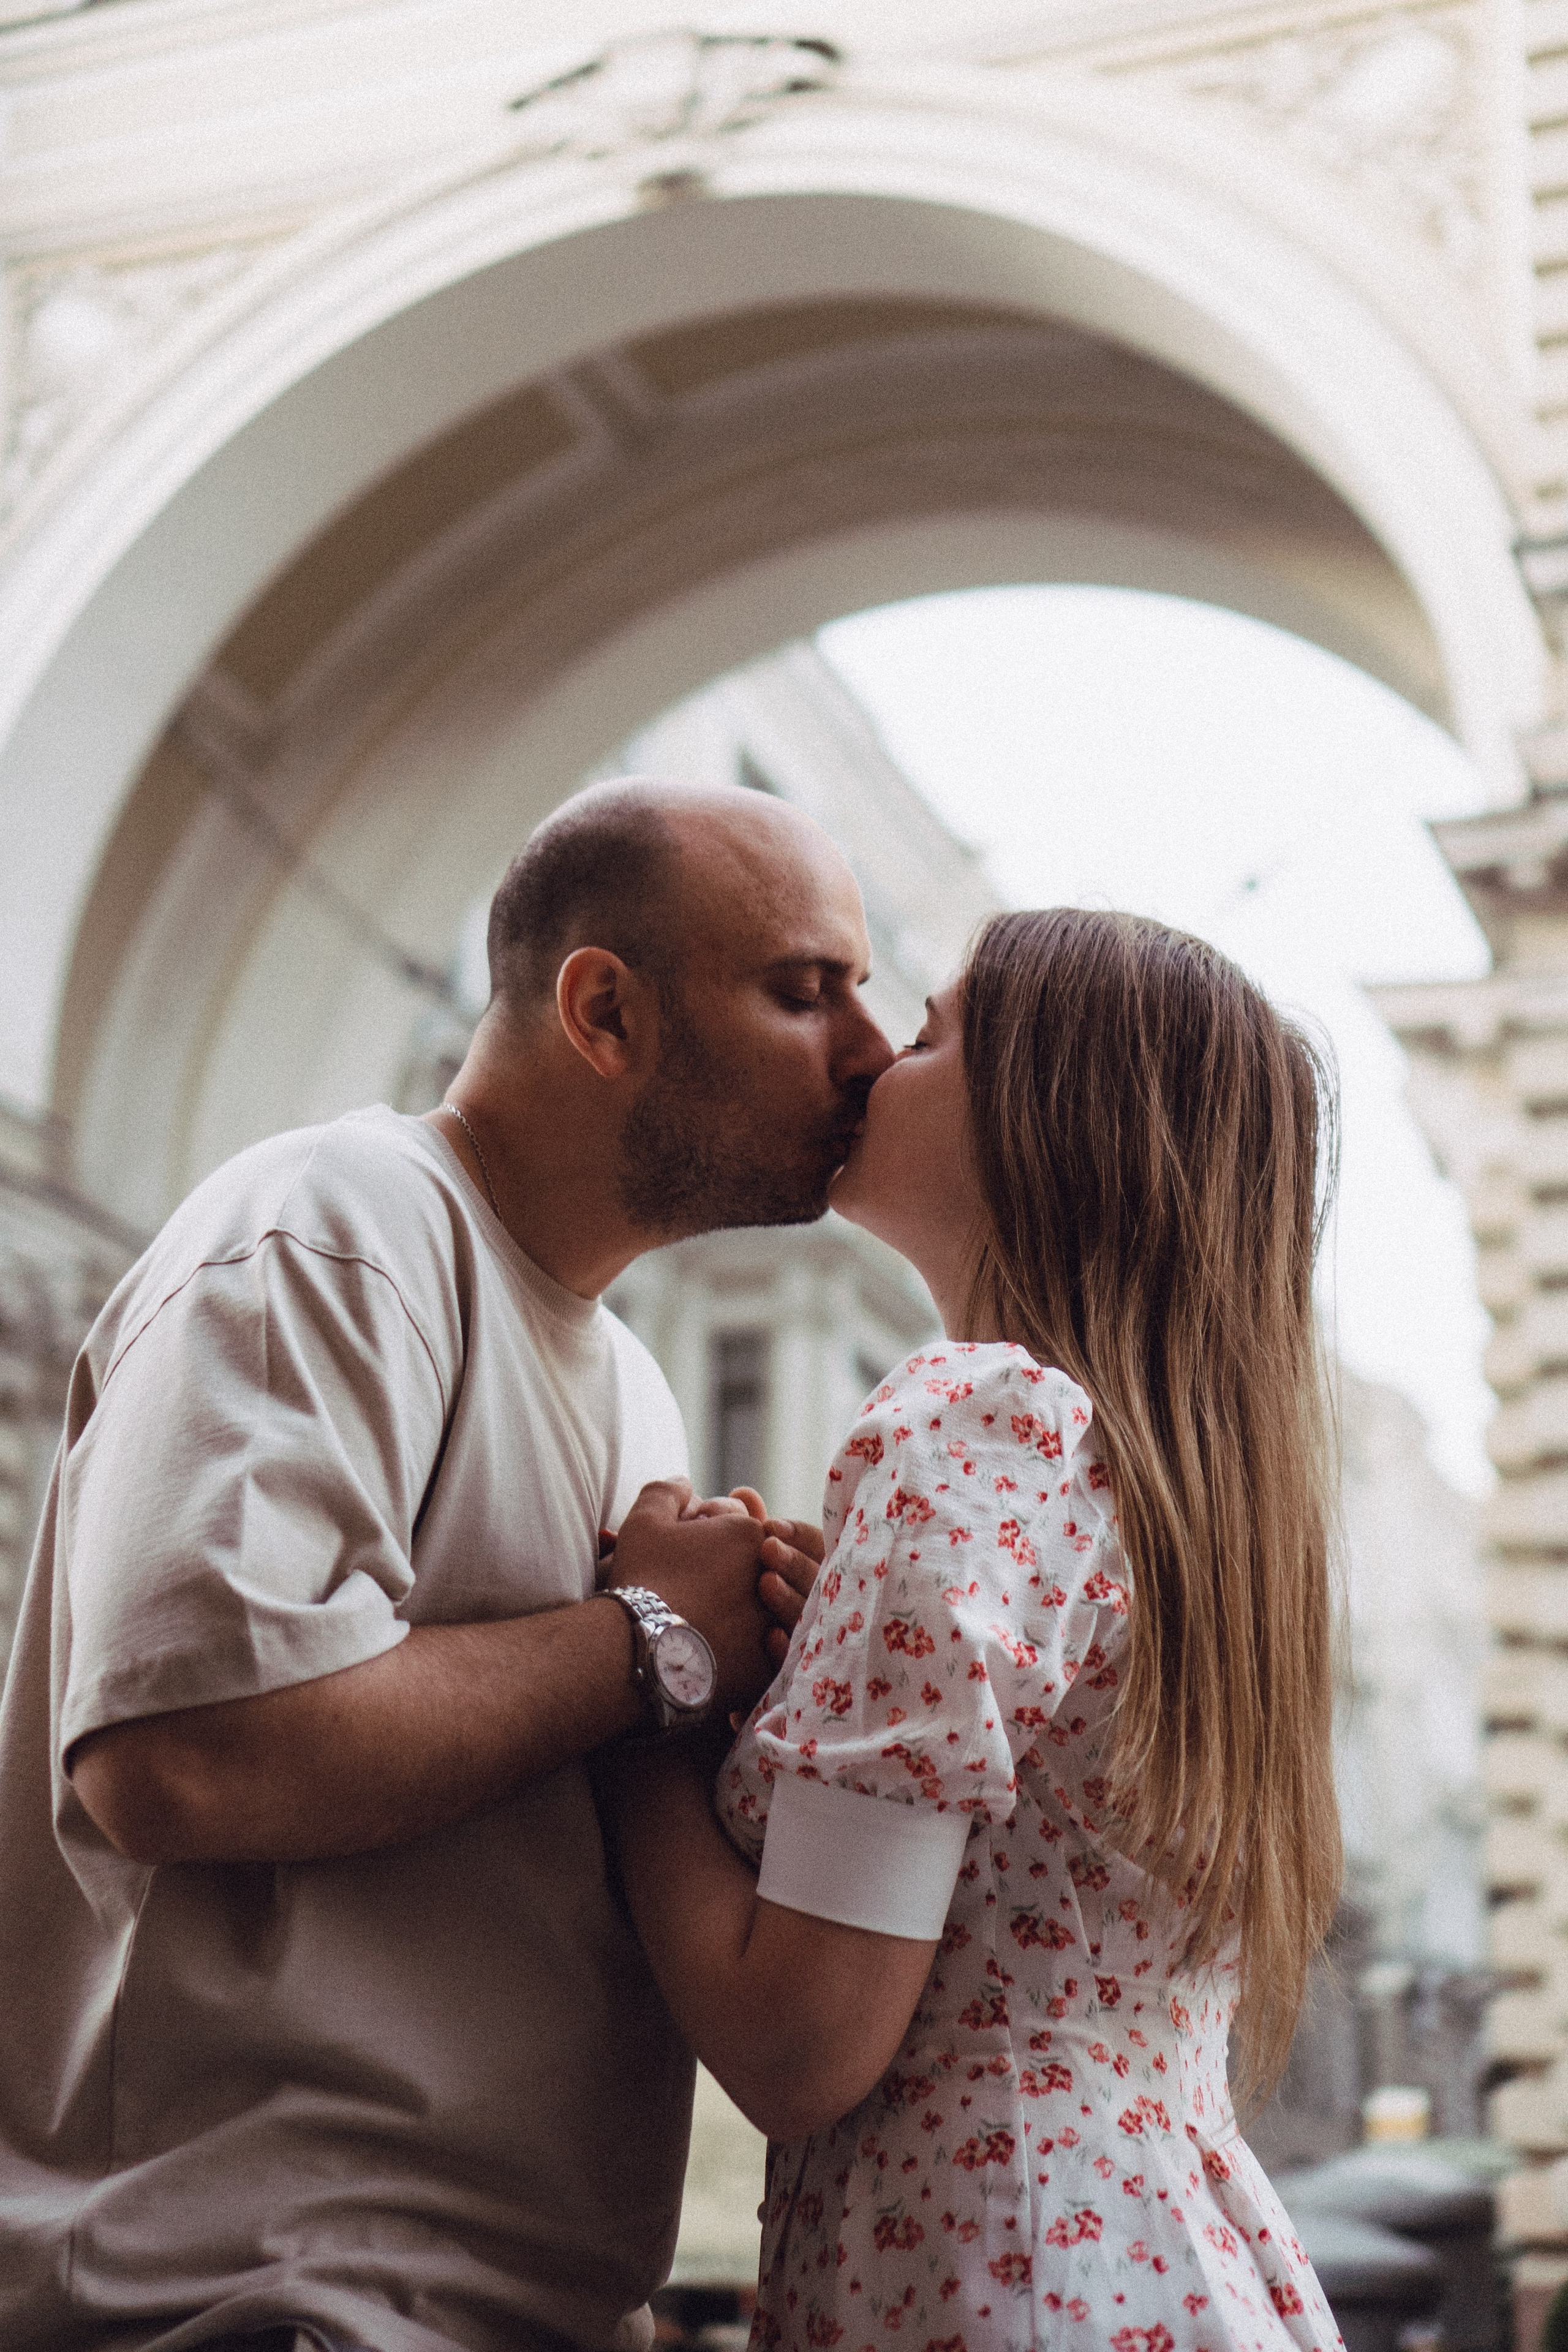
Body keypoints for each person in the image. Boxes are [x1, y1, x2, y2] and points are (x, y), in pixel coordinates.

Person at [0, 778, 892, 2352]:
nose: (866, 1052)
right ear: (604, 1011)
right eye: (801, 991)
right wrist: (646, 1641)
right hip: (262, 2297)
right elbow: (179, 1756)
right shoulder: (333, 1232)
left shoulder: (630, 1381)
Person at [606, 906, 1346, 2352]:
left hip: (1000, 2266)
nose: (875, 1051)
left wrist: (648, 1678)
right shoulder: (1169, 1493)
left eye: (933, 1032)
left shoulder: (969, 1416)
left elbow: (799, 2041)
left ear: (1046, 1120)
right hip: (1158, 2260)